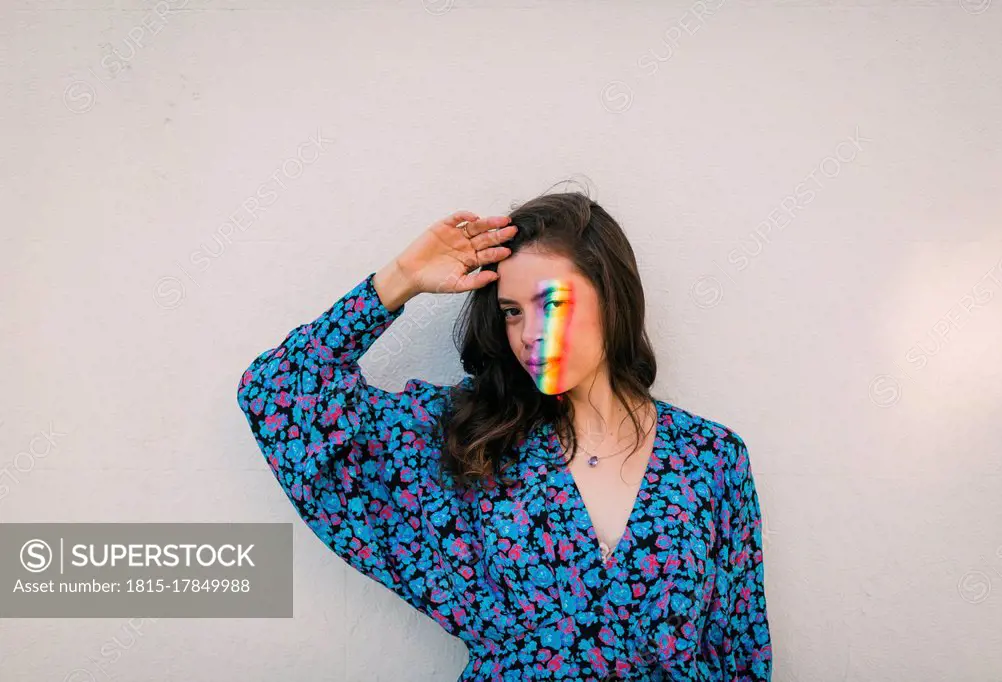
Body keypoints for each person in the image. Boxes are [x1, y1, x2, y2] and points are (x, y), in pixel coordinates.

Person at [235, 191, 772, 681]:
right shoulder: (471, 439)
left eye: (552, 305)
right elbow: (276, 392)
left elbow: (740, 655)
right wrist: (400, 278)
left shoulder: (712, 458)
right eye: (512, 313)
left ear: (612, 298)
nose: (530, 334)